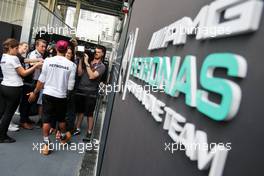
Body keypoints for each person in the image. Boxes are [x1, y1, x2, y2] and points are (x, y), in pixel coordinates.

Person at [28, 40, 76, 155]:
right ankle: (63, 137)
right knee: (61, 119)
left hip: (48, 94)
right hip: (61, 96)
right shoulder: (71, 65)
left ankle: (46, 144)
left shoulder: (48, 61)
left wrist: (35, 92)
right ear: (66, 50)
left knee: (46, 120)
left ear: (56, 49)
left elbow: (41, 79)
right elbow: (70, 86)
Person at [0, 38, 42, 143]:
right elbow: (23, 73)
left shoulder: (4, 57)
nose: (17, 50)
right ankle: (2, 136)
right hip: (14, 88)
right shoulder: (13, 58)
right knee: (9, 113)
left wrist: (36, 61)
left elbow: (23, 60)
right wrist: (36, 65)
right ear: (11, 48)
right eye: (16, 48)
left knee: (2, 111)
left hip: (4, 86)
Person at [73, 45, 106, 142]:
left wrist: (86, 63)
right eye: (95, 51)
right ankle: (77, 128)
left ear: (102, 54)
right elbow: (79, 73)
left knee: (89, 114)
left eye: (99, 52)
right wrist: (80, 60)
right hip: (81, 89)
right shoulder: (88, 61)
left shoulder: (101, 66)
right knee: (80, 111)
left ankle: (89, 132)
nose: (96, 53)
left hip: (91, 92)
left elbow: (92, 76)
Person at [27, 39, 46, 127]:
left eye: (44, 46)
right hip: (31, 80)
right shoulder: (33, 54)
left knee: (32, 100)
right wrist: (43, 63)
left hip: (36, 80)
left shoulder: (40, 55)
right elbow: (32, 64)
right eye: (42, 46)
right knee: (28, 100)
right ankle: (23, 120)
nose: (44, 48)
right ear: (36, 46)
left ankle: (26, 118)